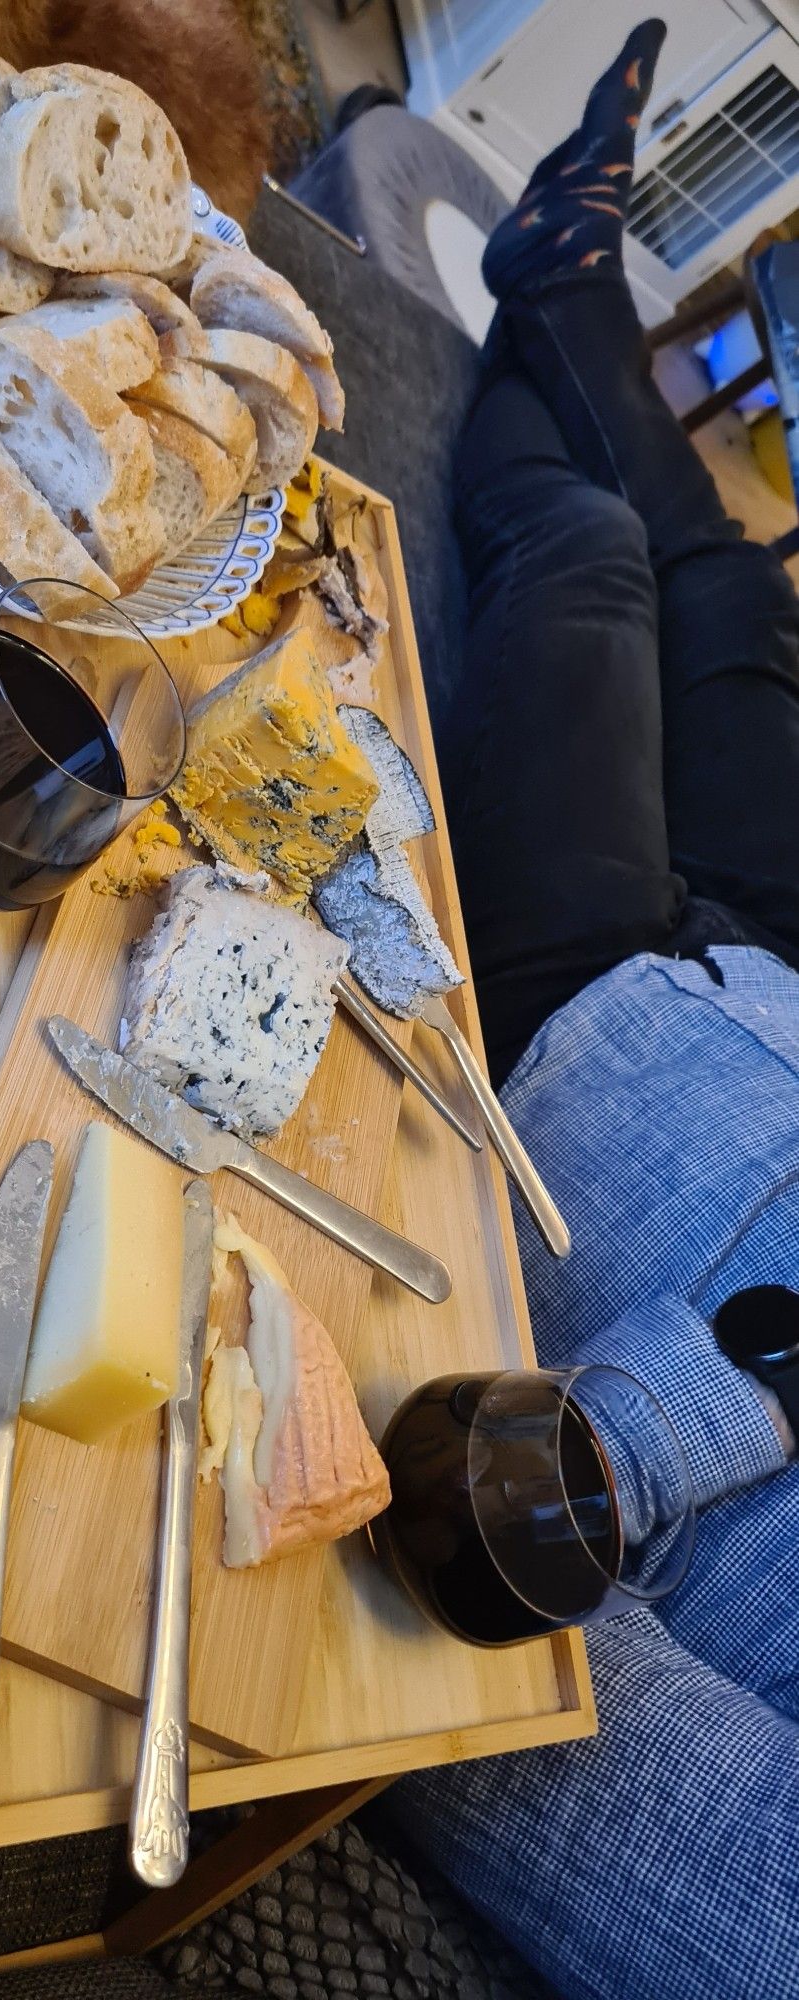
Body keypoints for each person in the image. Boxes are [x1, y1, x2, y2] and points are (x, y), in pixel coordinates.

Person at [384, 22, 799, 2000]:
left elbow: (507, 1722)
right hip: (774, 1017)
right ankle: (564, 269)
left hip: (595, 1083)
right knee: (728, 603)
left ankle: (540, 289)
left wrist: (723, 1397)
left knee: (583, 553)